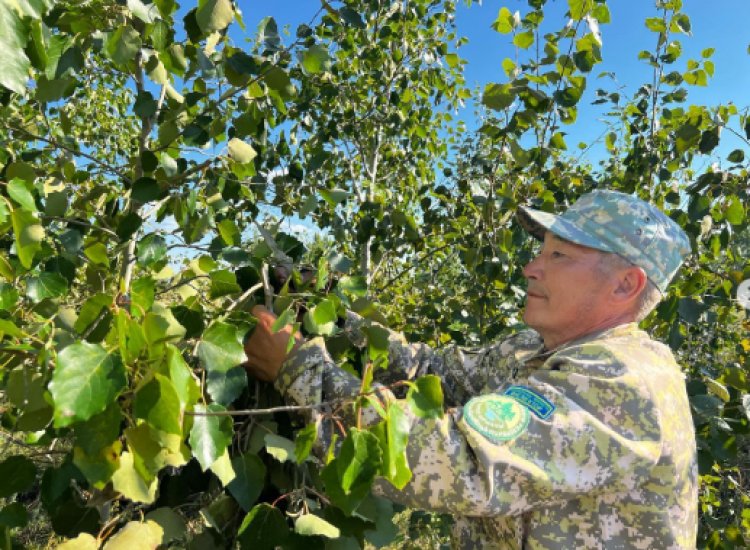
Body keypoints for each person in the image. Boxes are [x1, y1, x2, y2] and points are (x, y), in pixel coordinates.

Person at [245, 190, 698, 549]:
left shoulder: (624, 382)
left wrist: (296, 367)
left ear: (626, 284)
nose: (530, 268)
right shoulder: (535, 351)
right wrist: (334, 314)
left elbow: (455, 462)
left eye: (558, 256)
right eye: (540, 251)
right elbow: (429, 370)